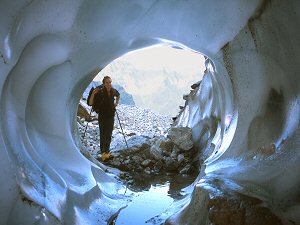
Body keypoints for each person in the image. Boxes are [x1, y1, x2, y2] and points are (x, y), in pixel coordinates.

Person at [89, 76, 120, 161]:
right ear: (103, 83)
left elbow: (118, 95)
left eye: (110, 82)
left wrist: (116, 103)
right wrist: (94, 93)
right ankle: (104, 154)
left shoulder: (113, 90)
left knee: (108, 134)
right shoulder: (99, 92)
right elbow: (91, 103)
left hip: (110, 115)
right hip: (102, 115)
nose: (109, 84)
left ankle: (106, 152)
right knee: (103, 134)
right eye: (107, 82)